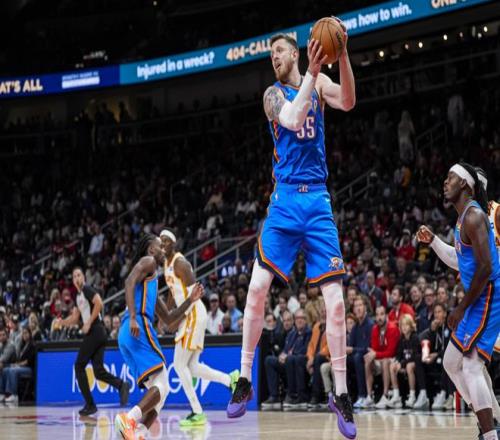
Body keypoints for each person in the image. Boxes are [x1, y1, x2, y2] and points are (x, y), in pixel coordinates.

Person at [227, 22, 357, 439]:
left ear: (295, 54)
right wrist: (315, 75)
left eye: (280, 53)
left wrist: (343, 55)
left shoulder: (319, 83)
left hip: (317, 200)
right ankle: (244, 378)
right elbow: (294, 117)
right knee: (256, 289)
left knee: (336, 303)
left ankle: (340, 394)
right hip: (284, 200)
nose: (275, 59)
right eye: (271, 56)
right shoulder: (272, 95)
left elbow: (349, 101)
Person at [417, 163, 500, 439]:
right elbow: (459, 260)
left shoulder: (475, 216)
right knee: (451, 362)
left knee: (472, 365)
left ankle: (490, 433)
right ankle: (490, 419)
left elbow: (486, 268)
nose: (445, 182)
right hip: (477, 296)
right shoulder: (463, 218)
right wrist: (433, 242)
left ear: (465, 184)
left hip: (489, 296)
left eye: (450, 177)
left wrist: (461, 307)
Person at [115, 233, 204, 440]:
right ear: (151, 250)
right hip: (137, 325)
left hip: (128, 334)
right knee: (162, 383)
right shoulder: (148, 262)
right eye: (159, 246)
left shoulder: (151, 281)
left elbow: (170, 320)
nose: (163, 249)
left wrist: (190, 300)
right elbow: (128, 282)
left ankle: (138, 433)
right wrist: (134, 317)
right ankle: (129, 419)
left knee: (161, 393)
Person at [161, 230, 239, 427]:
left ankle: (197, 412)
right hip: (187, 315)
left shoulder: (181, 264)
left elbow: (194, 295)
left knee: (179, 365)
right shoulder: (166, 265)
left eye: (166, 241)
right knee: (192, 367)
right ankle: (230, 379)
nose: (162, 244)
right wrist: (168, 314)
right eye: (160, 241)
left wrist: (175, 320)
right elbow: (172, 291)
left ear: (174, 244)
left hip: (193, 313)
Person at [57, 267, 130, 416]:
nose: (77, 278)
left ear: (83, 277)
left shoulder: (87, 289)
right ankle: (121, 385)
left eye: (79, 275)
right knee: (98, 371)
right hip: (99, 333)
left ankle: (90, 404)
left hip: (95, 330)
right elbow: (75, 318)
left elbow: (99, 303)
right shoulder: (78, 296)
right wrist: (62, 322)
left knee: (79, 366)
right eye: (74, 276)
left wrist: (89, 322)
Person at [363, 305, 400, 409]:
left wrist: (376, 354)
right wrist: (373, 355)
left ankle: (385, 395)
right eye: (377, 315)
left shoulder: (392, 328)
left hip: (394, 359)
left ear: (386, 315)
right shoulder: (375, 329)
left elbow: (391, 352)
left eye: (382, 314)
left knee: (385, 361)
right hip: (381, 357)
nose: (379, 317)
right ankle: (369, 396)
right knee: (367, 360)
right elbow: (375, 348)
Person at [347, 295, 374, 408]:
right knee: (342, 361)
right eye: (355, 306)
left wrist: (353, 350)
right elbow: (350, 345)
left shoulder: (370, 325)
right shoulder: (355, 327)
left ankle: (362, 395)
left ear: (365, 307)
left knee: (358, 357)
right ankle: (346, 396)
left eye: (360, 305)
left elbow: (368, 348)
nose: (358, 308)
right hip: (357, 356)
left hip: (369, 357)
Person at [387, 314, 420, 409]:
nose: (404, 327)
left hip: (415, 364)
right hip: (404, 363)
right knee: (392, 366)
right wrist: (397, 362)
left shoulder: (415, 338)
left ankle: (412, 395)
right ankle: (396, 395)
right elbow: (399, 354)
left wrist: (402, 364)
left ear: (411, 325)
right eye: (402, 325)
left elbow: (415, 356)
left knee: (409, 366)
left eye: (406, 325)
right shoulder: (401, 339)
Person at [0, 326, 35, 404]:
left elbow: (28, 361)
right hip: (22, 367)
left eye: (26, 333)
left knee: (13, 370)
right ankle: (3, 393)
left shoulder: (32, 345)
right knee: (5, 370)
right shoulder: (23, 345)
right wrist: (17, 364)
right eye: (23, 333)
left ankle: (14, 394)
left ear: (30, 334)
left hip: (29, 369)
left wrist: (17, 365)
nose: (24, 335)